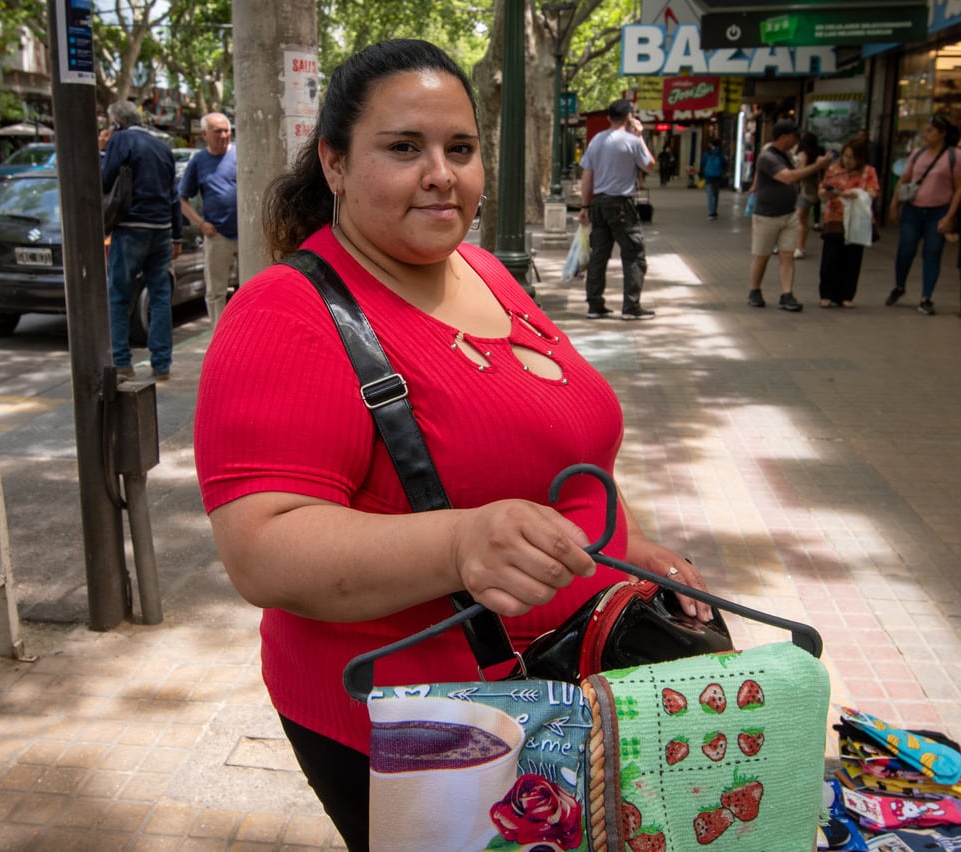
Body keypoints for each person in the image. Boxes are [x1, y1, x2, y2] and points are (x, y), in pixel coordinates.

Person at [192, 39, 715, 850]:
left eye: (460, 149)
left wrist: (635, 547)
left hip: (582, 680)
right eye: (404, 148)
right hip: (433, 733)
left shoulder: (484, 270)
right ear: (334, 163)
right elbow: (261, 548)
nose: (443, 173)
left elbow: (567, 448)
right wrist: (462, 540)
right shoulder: (283, 314)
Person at [100, 100, 183, 381]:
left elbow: (105, 179)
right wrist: (178, 235)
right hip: (161, 228)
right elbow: (174, 195)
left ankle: (122, 362)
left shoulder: (121, 140)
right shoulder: (162, 146)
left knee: (119, 295)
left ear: (116, 122)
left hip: (130, 228)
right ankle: (162, 363)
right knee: (160, 296)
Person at [577, 99, 657, 320]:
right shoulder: (632, 141)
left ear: (608, 118)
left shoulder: (596, 141)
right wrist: (640, 135)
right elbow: (649, 165)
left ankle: (595, 304)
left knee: (599, 256)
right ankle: (631, 306)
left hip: (599, 204)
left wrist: (585, 206)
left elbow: (587, 177)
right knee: (633, 254)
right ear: (629, 116)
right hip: (622, 204)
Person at [886, 114, 961, 316]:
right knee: (906, 248)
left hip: (938, 210)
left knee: (932, 253)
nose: (926, 134)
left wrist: (949, 216)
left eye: (930, 131)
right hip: (913, 209)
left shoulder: (955, 156)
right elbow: (905, 179)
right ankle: (899, 285)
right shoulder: (917, 154)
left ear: (942, 134)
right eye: (926, 130)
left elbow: (960, 188)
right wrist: (894, 203)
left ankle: (926, 297)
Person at [747, 119, 832, 312]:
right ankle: (755, 290)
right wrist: (817, 166)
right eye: (795, 137)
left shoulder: (786, 155)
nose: (797, 141)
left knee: (787, 255)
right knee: (762, 255)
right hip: (766, 215)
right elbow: (788, 177)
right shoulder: (768, 157)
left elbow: (796, 172)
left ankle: (787, 294)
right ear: (784, 137)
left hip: (789, 213)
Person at [179, 111, 238, 330]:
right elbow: (182, 199)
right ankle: (219, 336)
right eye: (218, 131)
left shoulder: (241, 154)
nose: (224, 135)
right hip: (218, 235)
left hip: (246, 233)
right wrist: (200, 223)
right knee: (216, 292)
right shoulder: (199, 161)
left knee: (252, 286)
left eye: (227, 130)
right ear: (205, 134)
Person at [818, 139, 880, 308]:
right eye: (846, 156)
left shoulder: (869, 171)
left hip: (857, 219)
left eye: (852, 158)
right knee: (831, 257)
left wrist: (856, 193)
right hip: (835, 216)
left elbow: (873, 192)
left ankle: (846, 295)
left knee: (852, 257)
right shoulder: (834, 170)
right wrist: (827, 192)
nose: (848, 161)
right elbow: (823, 189)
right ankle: (827, 294)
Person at [794, 132, 823, 258]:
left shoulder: (802, 154)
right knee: (803, 220)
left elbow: (800, 172)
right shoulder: (817, 155)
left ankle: (799, 247)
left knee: (800, 220)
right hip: (811, 189)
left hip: (802, 189)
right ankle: (800, 246)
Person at [699, 140, 727, 220]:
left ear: (711, 145)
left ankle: (711, 212)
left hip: (709, 177)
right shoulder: (721, 155)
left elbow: (703, 164)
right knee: (716, 194)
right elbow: (724, 164)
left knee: (710, 195)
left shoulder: (707, 154)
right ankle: (714, 211)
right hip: (717, 177)